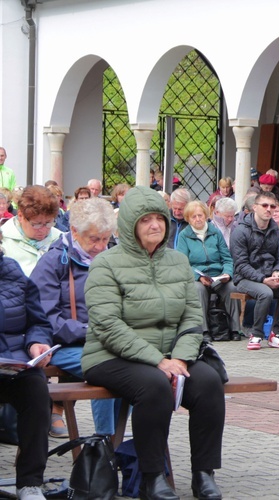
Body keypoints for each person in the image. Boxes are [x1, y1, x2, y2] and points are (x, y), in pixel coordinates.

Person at [82, 186, 225, 499]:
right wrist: (157, 361)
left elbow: (192, 318)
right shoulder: (105, 264)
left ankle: (204, 474)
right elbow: (107, 325)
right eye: (145, 220)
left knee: (209, 382)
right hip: (110, 356)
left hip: (171, 355)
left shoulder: (177, 262)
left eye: (158, 218)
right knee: (154, 385)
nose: (154, 225)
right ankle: (152, 477)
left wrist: (182, 360)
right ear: (130, 225)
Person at [30, 198, 120, 436]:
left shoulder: (113, 260)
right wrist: (88, 330)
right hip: (65, 344)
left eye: (105, 239)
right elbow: (45, 317)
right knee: (109, 369)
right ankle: (104, 444)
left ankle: (118, 440)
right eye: (94, 239)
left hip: (110, 342)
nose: (101, 246)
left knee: (140, 373)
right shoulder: (53, 261)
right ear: (74, 231)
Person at [0, 235, 53, 500]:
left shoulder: (13, 273)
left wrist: (36, 343)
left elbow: (38, 321)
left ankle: (30, 483)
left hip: (12, 364)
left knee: (36, 389)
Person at [230, 192, 279, 350]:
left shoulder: (276, 231)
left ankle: (277, 334)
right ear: (254, 208)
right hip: (244, 278)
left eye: (272, 206)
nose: (269, 209)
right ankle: (256, 334)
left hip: (268, 275)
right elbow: (241, 264)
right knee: (266, 293)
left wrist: (278, 270)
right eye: (264, 205)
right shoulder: (240, 231)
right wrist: (263, 279)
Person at [176, 200, 241, 341]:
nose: (198, 219)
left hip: (217, 275)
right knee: (198, 290)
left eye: (200, 215)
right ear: (188, 219)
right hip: (197, 276)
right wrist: (198, 277)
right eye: (193, 217)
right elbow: (182, 263)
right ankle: (203, 331)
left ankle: (236, 329)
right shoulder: (184, 236)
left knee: (232, 288)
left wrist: (227, 274)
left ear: (206, 216)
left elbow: (227, 258)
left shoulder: (215, 233)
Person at [1, 185, 63, 277]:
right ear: (21, 216)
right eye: (37, 224)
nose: (43, 230)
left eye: (48, 223)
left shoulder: (61, 239)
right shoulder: (3, 240)